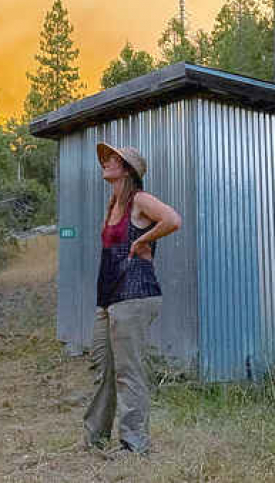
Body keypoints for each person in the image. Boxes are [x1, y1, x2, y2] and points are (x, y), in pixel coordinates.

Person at [83, 142, 182, 455]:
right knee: (103, 368)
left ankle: (134, 444)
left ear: (126, 169)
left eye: (114, 159)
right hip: (109, 297)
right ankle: (95, 438)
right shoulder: (114, 203)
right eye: (108, 158)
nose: (107, 162)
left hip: (135, 294)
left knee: (128, 371)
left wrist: (143, 240)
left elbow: (172, 219)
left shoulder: (140, 199)